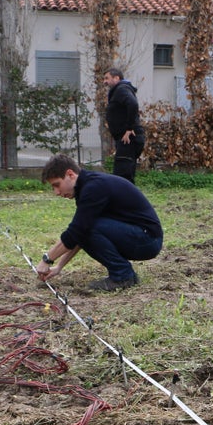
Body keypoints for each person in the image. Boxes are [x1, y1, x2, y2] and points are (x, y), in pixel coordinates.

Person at [35, 154, 163, 292]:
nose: (56, 192)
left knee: (87, 227)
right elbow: (79, 234)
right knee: (86, 227)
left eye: (57, 185)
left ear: (70, 174)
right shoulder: (87, 186)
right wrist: (59, 266)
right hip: (140, 237)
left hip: (147, 240)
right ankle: (122, 273)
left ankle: (123, 276)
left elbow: (78, 232)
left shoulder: (93, 188)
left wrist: (47, 259)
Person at [103, 68, 145, 183]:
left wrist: (129, 128)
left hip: (128, 138)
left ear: (117, 78)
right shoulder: (120, 90)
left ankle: (125, 200)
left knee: (122, 177)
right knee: (125, 175)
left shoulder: (121, 89)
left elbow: (132, 104)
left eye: (107, 78)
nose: (104, 81)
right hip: (126, 139)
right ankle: (129, 200)